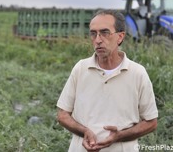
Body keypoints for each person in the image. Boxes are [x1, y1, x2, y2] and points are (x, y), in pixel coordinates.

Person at [56, 9, 158, 152]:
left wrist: (119, 136)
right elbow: (62, 115)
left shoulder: (137, 73)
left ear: (120, 37)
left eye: (104, 33)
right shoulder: (81, 68)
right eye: (93, 33)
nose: (98, 40)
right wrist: (84, 131)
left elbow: (151, 122)